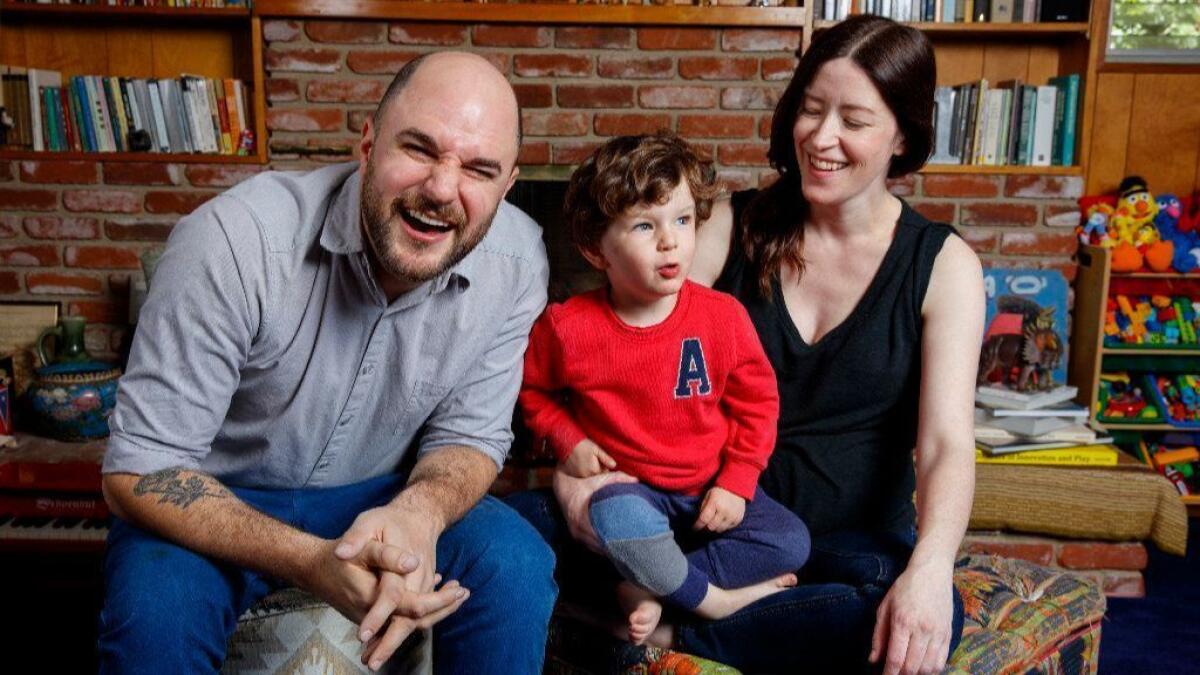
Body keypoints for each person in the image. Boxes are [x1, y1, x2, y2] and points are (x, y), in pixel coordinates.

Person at [509, 15, 983, 674]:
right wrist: (570, 477)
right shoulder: (732, 224)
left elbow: (945, 444)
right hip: (694, 516)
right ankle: (698, 602)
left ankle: (667, 625)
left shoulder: (944, 265)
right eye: (811, 110)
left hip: (841, 543)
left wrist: (931, 568)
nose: (822, 137)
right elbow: (630, 342)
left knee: (906, 613)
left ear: (903, 133)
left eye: (854, 120)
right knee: (511, 526)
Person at [98, 51, 556, 674]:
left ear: (507, 184)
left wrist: (417, 516)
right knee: (155, 608)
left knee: (517, 561)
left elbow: (470, 436)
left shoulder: (518, 260)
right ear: (367, 143)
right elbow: (140, 470)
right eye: (419, 149)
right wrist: (314, 561)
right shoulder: (234, 241)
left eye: (479, 169)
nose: (443, 189)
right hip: (216, 502)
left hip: (383, 495)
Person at [519, 134, 811, 645]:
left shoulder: (723, 317)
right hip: (632, 488)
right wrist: (568, 440)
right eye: (643, 226)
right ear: (596, 249)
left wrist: (737, 482)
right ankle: (713, 600)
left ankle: (648, 582)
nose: (670, 241)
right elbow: (533, 392)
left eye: (681, 220)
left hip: (707, 487)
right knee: (616, 516)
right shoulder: (568, 327)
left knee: (791, 542)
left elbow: (758, 404)